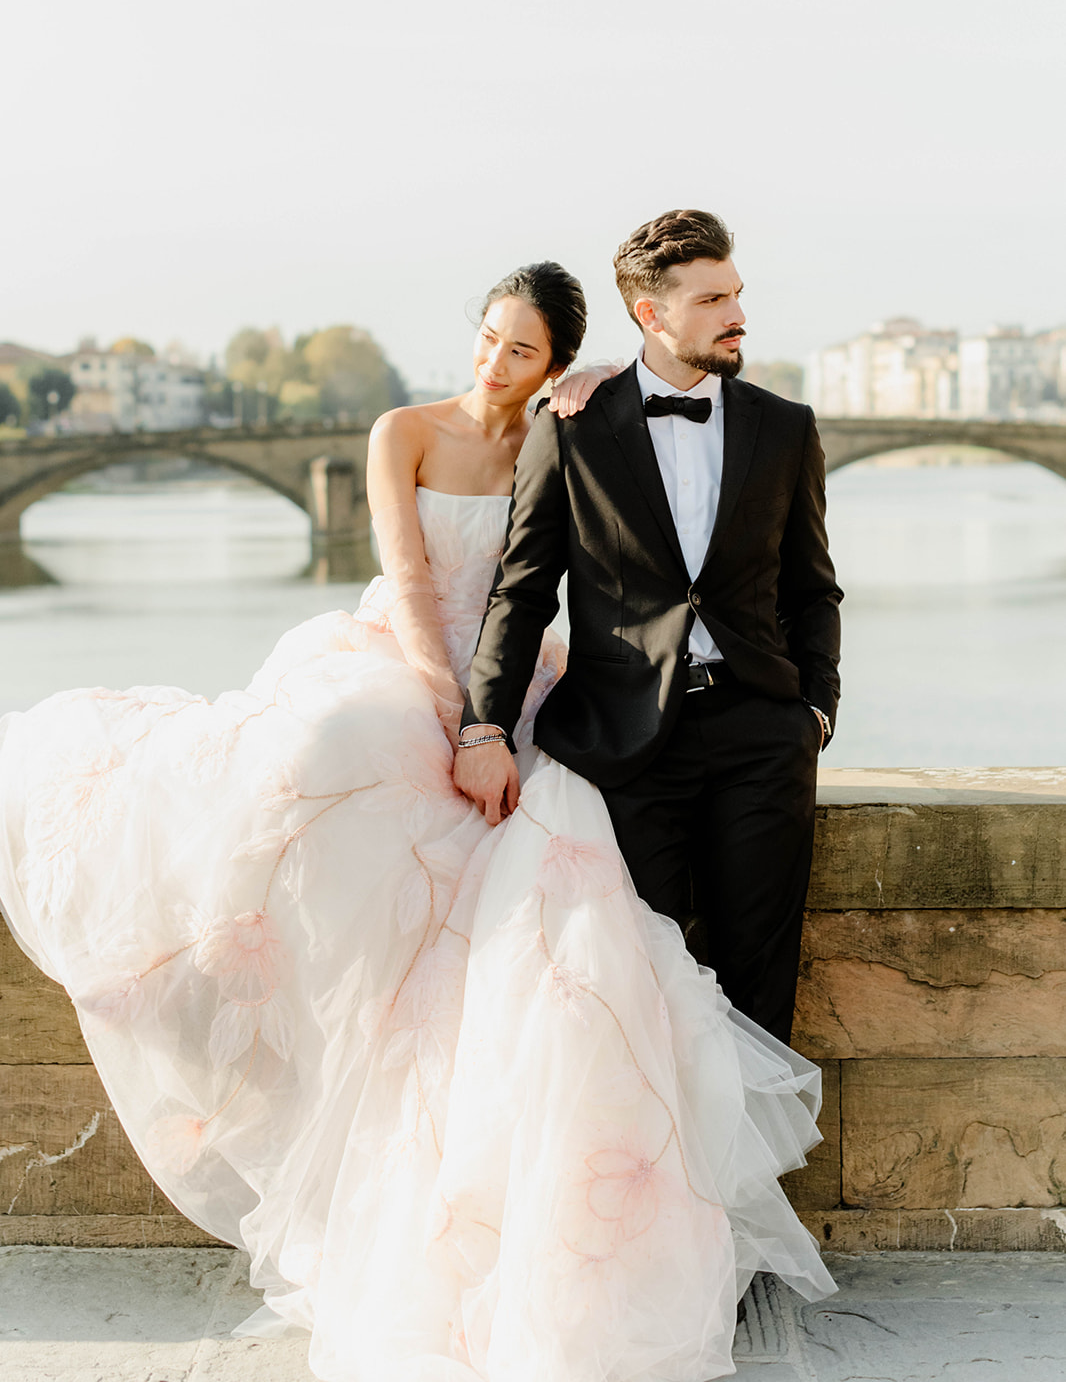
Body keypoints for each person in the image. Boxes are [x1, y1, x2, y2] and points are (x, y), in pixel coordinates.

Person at [0, 258, 834, 1382]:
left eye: (521, 349)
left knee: (558, 896)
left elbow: (546, 579)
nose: (494, 362)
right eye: (489, 339)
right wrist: (456, 715)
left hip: (518, 681)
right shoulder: (406, 428)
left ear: (556, 363)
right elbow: (405, 577)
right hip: (409, 661)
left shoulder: (565, 427)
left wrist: (500, 711)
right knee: (327, 758)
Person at [456, 209, 843, 1048]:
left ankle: (750, 1178)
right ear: (651, 315)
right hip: (626, 742)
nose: (736, 313)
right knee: (639, 983)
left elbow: (813, 591)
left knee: (759, 978)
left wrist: (813, 711)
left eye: (736, 294)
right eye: (710, 300)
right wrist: (482, 723)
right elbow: (521, 592)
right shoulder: (571, 428)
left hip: (760, 737)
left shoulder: (785, 429)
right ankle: (661, 1179)